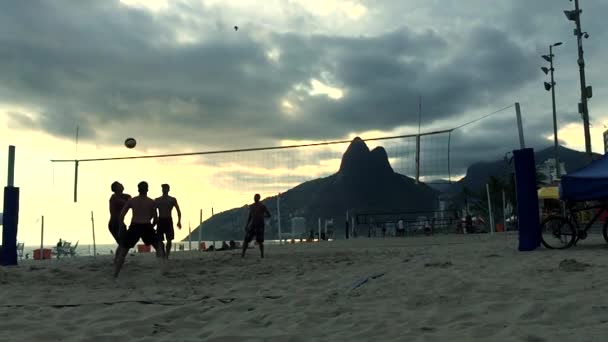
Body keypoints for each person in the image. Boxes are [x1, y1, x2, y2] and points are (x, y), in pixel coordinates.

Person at [113, 181, 161, 278]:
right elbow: (156, 218)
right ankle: (162, 269)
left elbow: (122, 215)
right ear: (147, 189)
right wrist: (152, 226)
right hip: (146, 225)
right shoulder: (151, 202)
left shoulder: (132, 201)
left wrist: (122, 225)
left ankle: (116, 274)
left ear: (138, 189)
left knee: (124, 251)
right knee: (158, 247)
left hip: (135, 225)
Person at [154, 184, 182, 259]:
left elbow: (178, 211)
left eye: (166, 188)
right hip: (160, 220)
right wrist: (154, 220)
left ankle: (167, 254)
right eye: (163, 188)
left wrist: (179, 221)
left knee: (169, 239)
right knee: (159, 239)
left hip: (168, 220)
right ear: (162, 189)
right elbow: (153, 211)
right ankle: (163, 252)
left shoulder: (172, 199)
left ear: (168, 189)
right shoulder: (157, 200)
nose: (164, 190)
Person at [241, 194, 271, 259]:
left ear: (259, 198)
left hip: (260, 225)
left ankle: (262, 255)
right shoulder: (251, 206)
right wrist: (247, 225)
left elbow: (269, 215)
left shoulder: (262, 206)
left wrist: (262, 216)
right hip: (253, 225)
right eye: (254, 197)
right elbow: (250, 216)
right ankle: (243, 254)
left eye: (256, 197)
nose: (255, 198)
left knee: (260, 241)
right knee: (246, 240)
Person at [108, 182, 131, 262]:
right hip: (115, 223)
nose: (122, 185)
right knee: (123, 243)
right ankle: (118, 260)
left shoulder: (120, 196)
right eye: (120, 185)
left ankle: (118, 259)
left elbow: (128, 198)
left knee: (124, 243)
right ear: (117, 188)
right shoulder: (114, 198)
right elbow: (127, 202)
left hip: (119, 222)